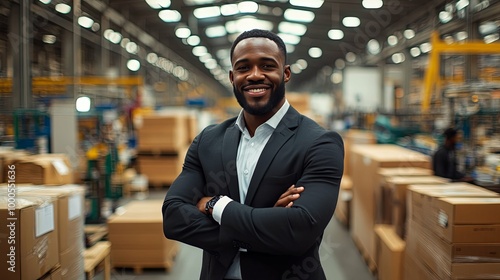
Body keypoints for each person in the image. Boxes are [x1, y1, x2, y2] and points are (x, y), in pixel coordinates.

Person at [162, 29, 344, 280]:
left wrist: (216, 205)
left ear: (286, 73)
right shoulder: (208, 141)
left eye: (267, 66)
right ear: (232, 76)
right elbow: (174, 218)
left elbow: (299, 231)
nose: (255, 75)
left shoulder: (319, 143)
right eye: (243, 67)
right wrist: (267, 223)